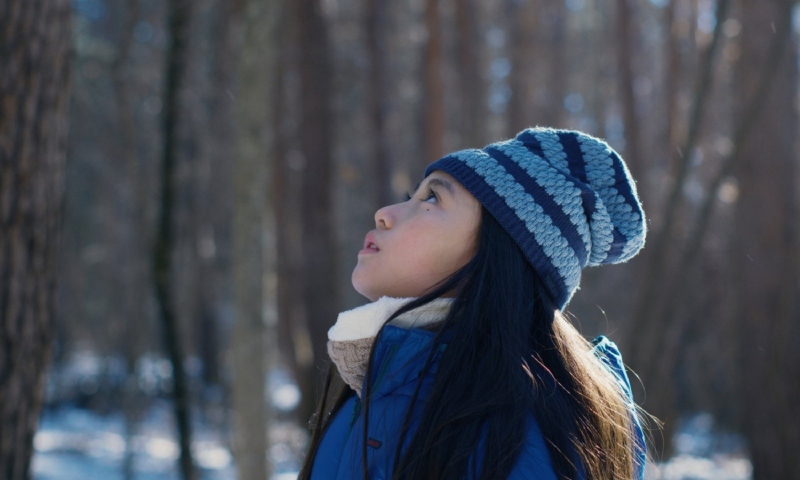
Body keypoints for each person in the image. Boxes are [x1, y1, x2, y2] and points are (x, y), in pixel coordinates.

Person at [298, 127, 648, 480]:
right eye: (411, 195)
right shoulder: (384, 381)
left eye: (431, 198)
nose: (385, 213)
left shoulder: (519, 435)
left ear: (496, 254)